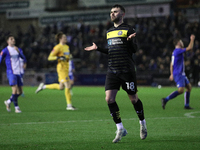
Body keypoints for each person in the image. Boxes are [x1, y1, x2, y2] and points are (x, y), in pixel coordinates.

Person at [84, 4, 147, 143]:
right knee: (109, 99)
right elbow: (111, 50)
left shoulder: (129, 29)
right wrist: (98, 48)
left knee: (134, 100)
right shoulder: (109, 31)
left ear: (122, 14)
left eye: (115, 11)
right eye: (111, 12)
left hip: (127, 70)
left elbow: (134, 49)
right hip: (112, 70)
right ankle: (120, 128)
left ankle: (142, 124)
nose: (112, 14)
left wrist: (130, 41)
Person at [35, 32, 76, 110]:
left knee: (61, 87)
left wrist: (68, 57)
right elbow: (50, 57)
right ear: (60, 39)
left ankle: (43, 86)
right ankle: (69, 105)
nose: (66, 38)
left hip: (66, 69)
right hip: (61, 69)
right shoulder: (57, 47)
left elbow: (66, 57)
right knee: (68, 86)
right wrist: (59, 58)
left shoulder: (67, 47)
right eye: (64, 37)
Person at [161, 34, 195, 109]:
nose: (182, 43)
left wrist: (171, 74)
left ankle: (186, 105)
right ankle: (165, 99)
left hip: (181, 73)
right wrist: (192, 39)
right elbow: (189, 48)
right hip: (178, 74)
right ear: (179, 43)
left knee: (189, 87)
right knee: (181, 90)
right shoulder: (178, 51)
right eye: (181, 42)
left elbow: (171, 63)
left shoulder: (175, 52)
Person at [0, 34, 26, 113]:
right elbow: (0, 59)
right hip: (11, 72)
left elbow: (23, 58)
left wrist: (18, 52)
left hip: (18, 72)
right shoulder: (5, 50)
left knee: (20, 92)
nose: (13, 40)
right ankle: (17, 108)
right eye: (11, 39)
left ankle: (8, 101)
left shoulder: (18, 49)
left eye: (13, 39)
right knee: (14, 90)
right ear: (8, 41)